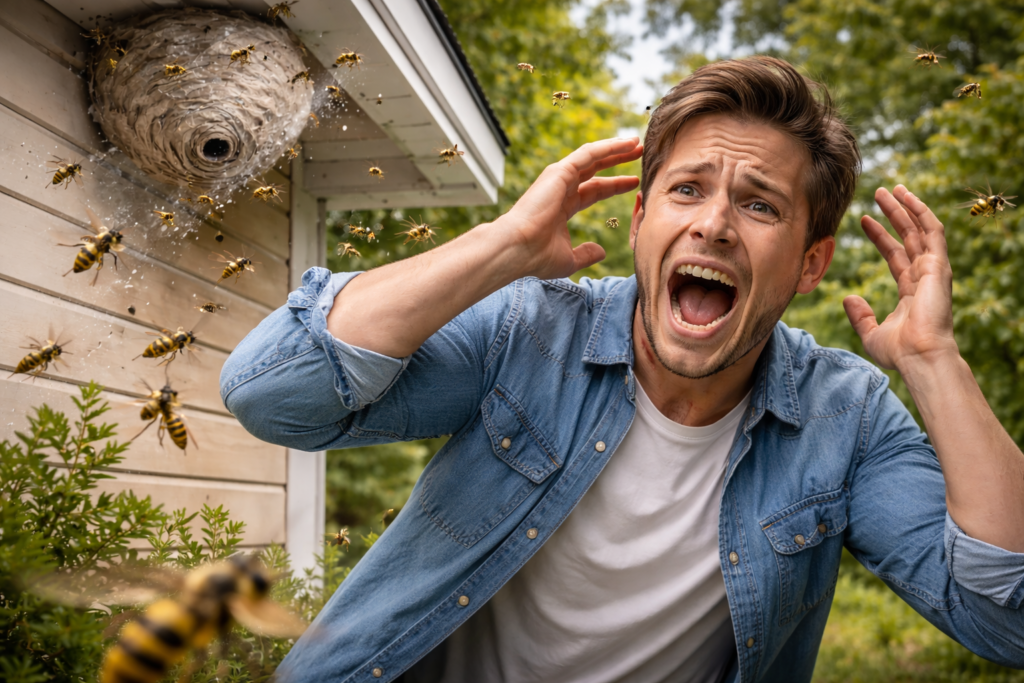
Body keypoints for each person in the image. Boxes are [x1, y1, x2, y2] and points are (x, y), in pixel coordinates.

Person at [220, 56, 1024, 683]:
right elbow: (272, 396)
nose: (712, 224)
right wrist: (502, 246)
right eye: (686, 189)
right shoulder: (529, 328)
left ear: (811, 263)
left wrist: (933, 360)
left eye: (760, 204)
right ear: (641, 221)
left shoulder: (845, 417)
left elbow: (1006, 623)